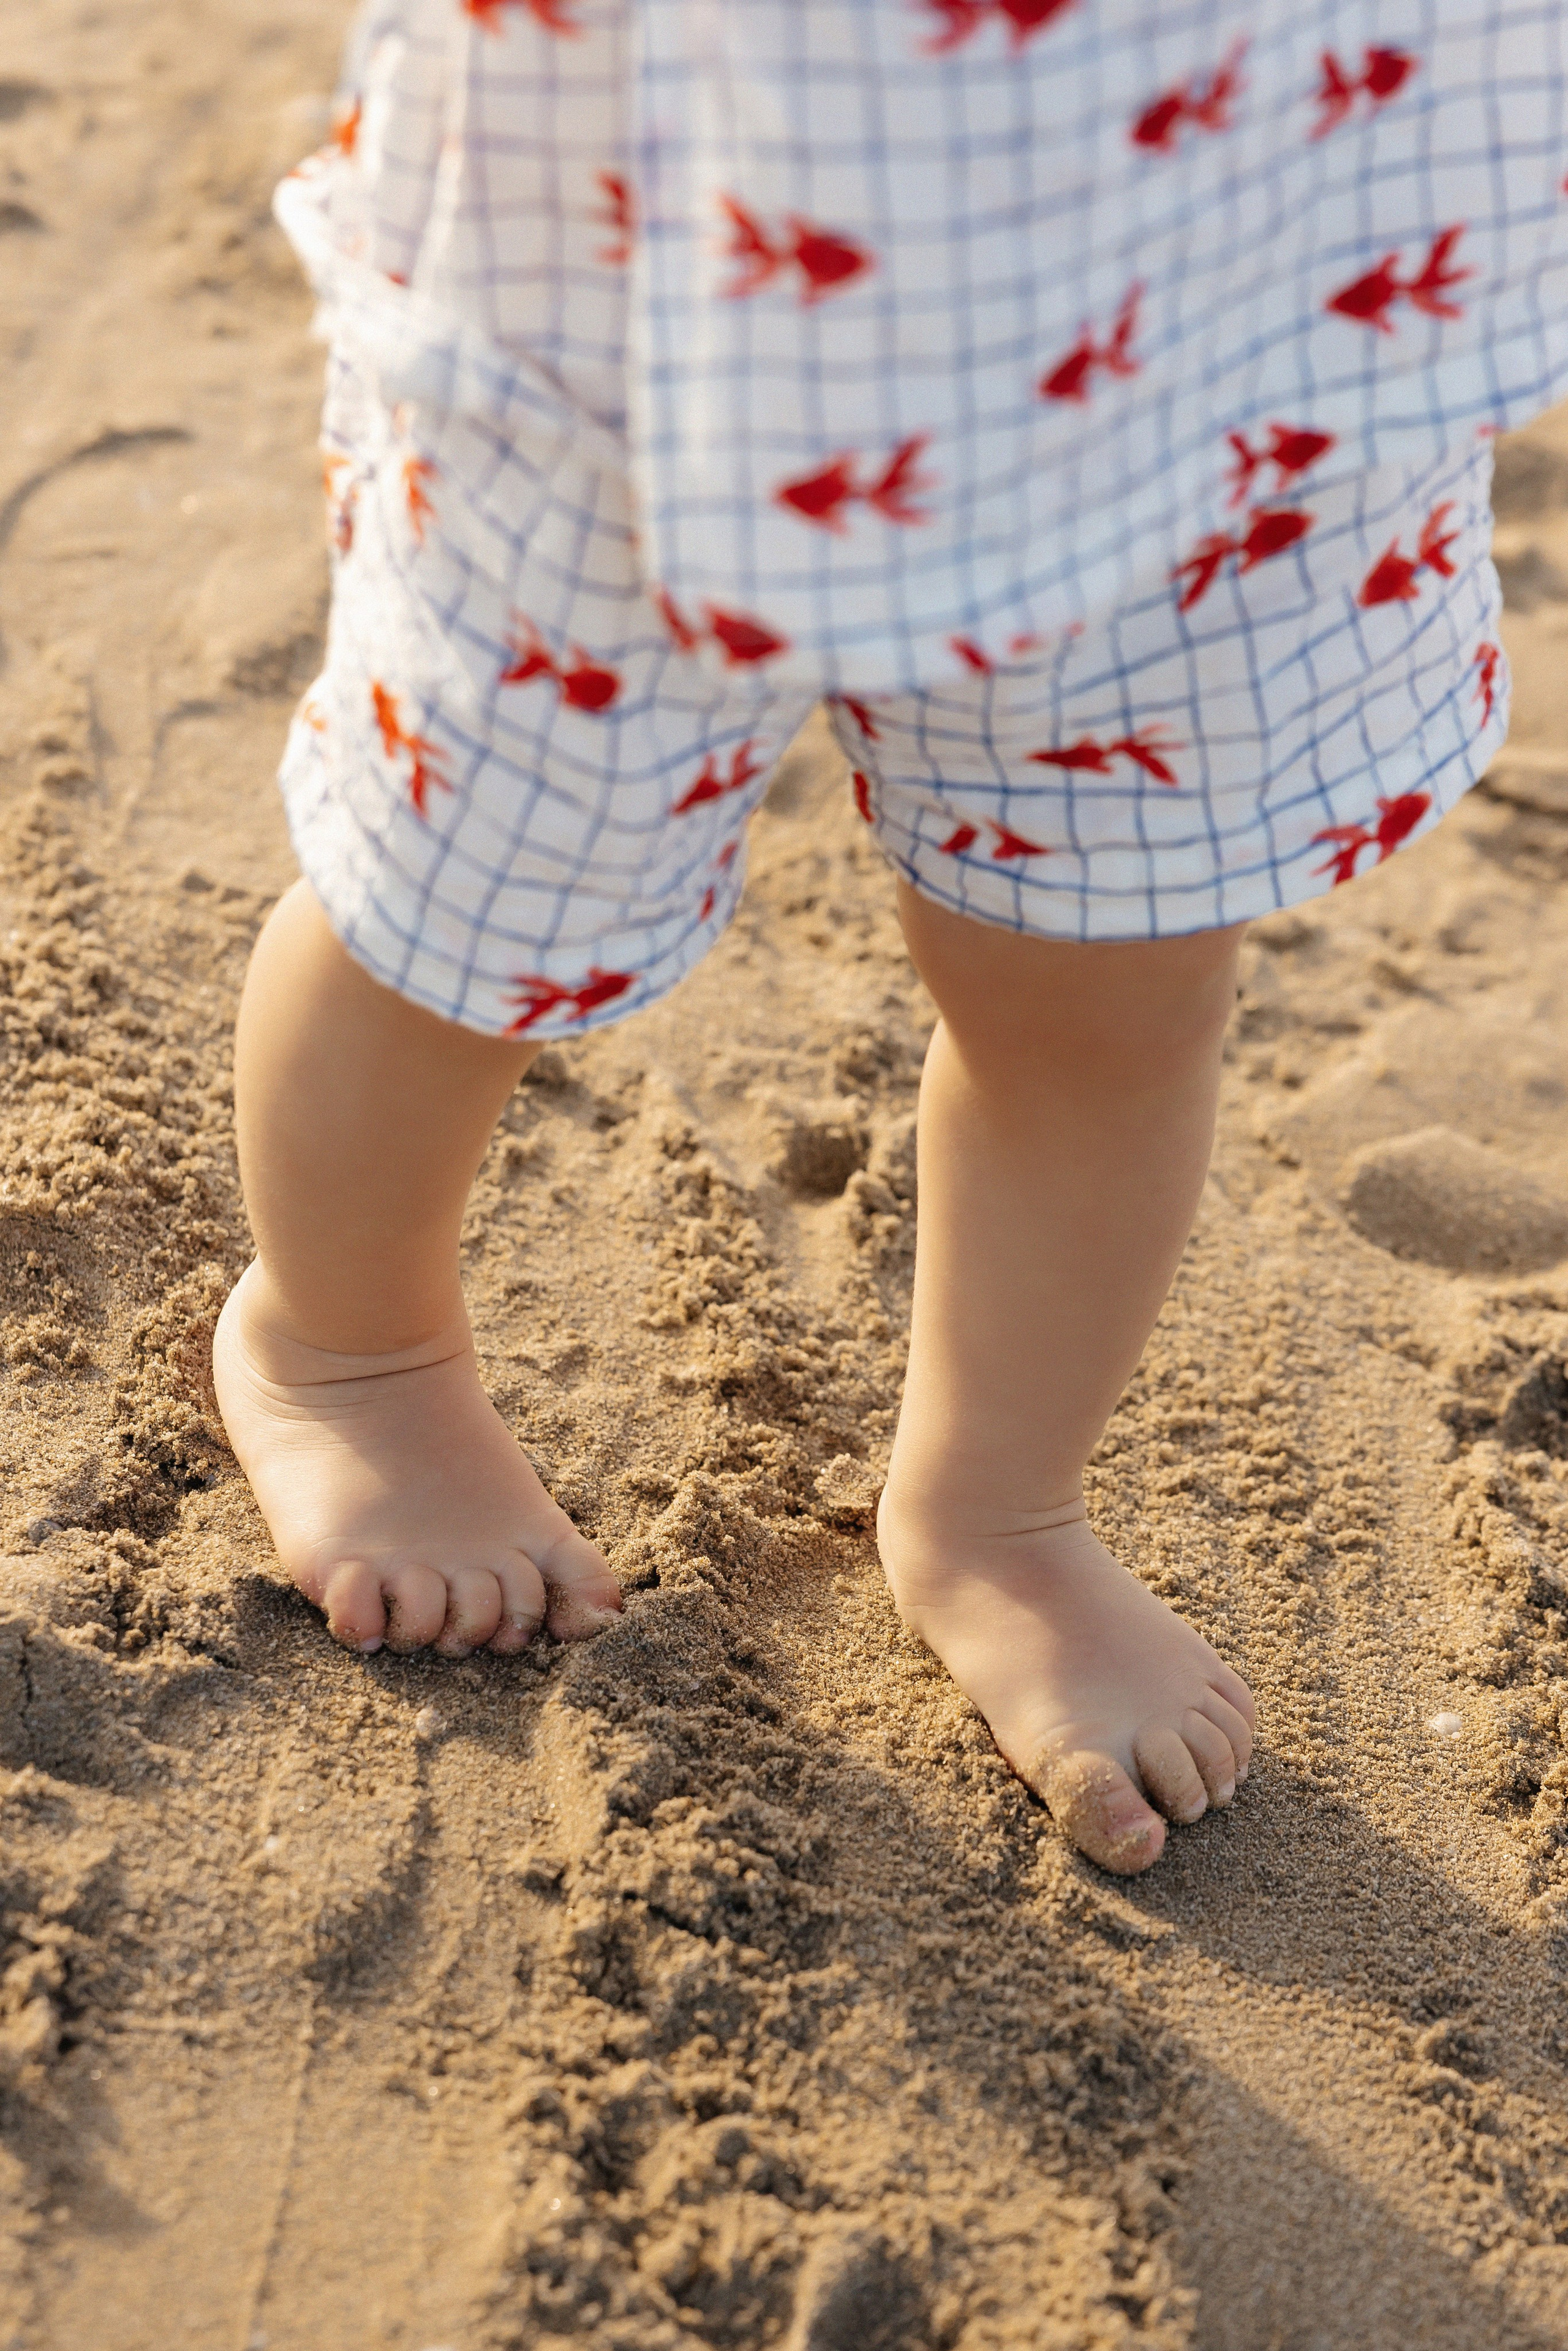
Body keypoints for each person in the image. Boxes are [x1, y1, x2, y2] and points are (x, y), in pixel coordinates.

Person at [214, 0, 1568, 1874]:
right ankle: (345, 1349)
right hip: (648, 256)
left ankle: (998, 1511)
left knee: (1119, 969)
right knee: (460, 902)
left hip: (1247, 290)